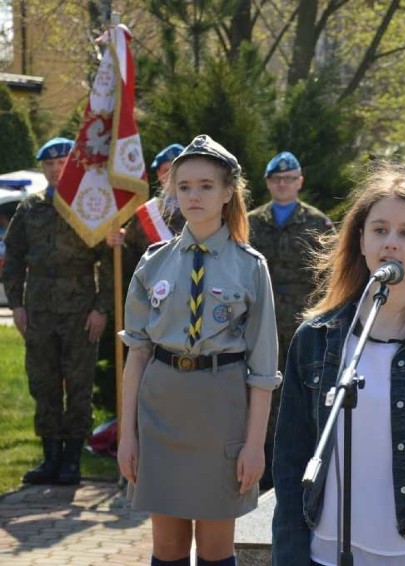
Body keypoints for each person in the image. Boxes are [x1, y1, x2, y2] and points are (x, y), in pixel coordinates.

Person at [272, 163, 405, 565]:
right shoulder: (315, 339)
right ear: (361, 241)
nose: (391, 242)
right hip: (326, 551)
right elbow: (289, 464)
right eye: (380, 230)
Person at [117, 135, 281, 566]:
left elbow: (263, 368)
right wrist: (127, 436)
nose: (193, 195)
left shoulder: (249, 266)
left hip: (220, 409)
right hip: (161, 409)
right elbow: (136, 353)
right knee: (167, 548)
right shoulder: (154, 262)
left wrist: (255, 445)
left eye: (206, 186)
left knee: (215, 549)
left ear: (228, 193)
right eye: (184, 185)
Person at [2, 137, 113, 486]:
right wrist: (17, 304)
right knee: (43, 382)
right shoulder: (30, 208)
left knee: (78, 384)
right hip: (39, 309)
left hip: (80, 308)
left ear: (74, 164)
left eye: (61, 162)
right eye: (48, 164)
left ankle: (71, 460)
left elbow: (109, 262)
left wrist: (101, 309)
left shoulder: (90, 206)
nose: (54, 168)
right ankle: (50, 458)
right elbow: (14, 258)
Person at [247, 150, 334, 490]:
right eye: (276, 179)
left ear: (300, 182)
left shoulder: (318, 222)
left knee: (300, 389)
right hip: (259, 317)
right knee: (260, 384)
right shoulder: (252, 221)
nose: (283, 184)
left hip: (303, 319)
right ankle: (262, 460)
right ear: (268, 183)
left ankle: (299, 460)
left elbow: (328, 274)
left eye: (289, 179)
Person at [113, 143, 187, 275]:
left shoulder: (206, 209)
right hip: (153, 292)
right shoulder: (145, 214)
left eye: (178, 170)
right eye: (166, 171)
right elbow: (130, 262)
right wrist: (117, 243)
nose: (173, 177)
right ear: (159, 174)